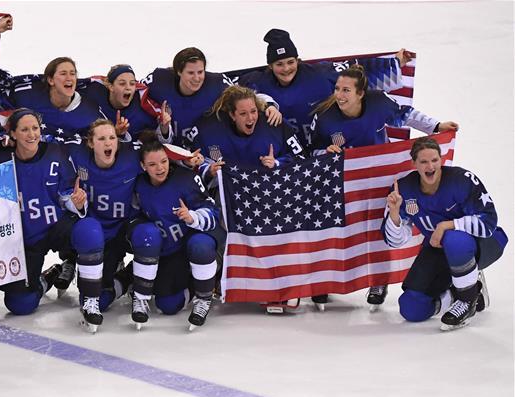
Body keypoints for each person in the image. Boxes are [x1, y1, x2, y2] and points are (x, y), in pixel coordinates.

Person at [311, 64, 459, 308]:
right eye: (337, 89)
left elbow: (406, 115)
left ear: (361, 93)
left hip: (380, 177)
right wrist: (323, 151)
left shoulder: (379, 103)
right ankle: (328, 281)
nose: (339, 95)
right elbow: (311, 150)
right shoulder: (325, 118)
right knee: (339, 229)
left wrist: (436, 126)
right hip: (345, 181)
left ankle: (379, 279)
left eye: (346, 90)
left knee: (378, 225)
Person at [0, 110, 105, 331]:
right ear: (13, 134)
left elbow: (66, 197)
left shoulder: (55, 152)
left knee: (90, 230)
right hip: (25, 238)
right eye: (24, 129)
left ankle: (90, 300)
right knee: (19, 304)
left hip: (56, 226)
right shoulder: (1, 161)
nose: (31, 134)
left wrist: (77, 203)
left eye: (35, 128)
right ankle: (48, 277)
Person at [382, 137, 506, 330]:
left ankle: (466, 300)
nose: (430, 166)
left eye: (434, 160)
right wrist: (395, 213)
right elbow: (395, 241)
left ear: (441, 160)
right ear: (414, 163)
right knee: (411, 308)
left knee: (454, 239)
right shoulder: (403, 190)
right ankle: (463, 292)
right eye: (423, 161)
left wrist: (446, 225)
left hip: (484, 243)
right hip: (439, 249)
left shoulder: (461, 180)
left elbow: (488, 222)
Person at [240, 29, 411, 146]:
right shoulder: (257, 81)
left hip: (325, 146)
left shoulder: (321, 73)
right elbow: (238, 92)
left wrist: (392, 64)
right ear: (270, 66)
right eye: (279, 64)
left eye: (291, 62)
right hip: (286, 152)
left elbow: (355, 73)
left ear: (298, 60)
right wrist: (266, 105)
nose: (286, 69)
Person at [131, 137, 222, 331]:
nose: (160, 168)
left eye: (163, 161)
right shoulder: (138, 185)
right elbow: (134, 216)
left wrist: (192, 217)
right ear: (142, 166)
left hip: (193, 241)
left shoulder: (185, 178)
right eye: (152, 164)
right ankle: (135, 283)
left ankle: (204, 296)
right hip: (169, 249)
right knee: (168, 305)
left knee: (201, 245)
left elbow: (214, 214)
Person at [67, 119, 143, 327]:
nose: (108, 143)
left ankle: (128, 275)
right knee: (91, 300)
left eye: (112, 138)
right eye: (101, 139)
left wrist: (190, 161)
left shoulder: (132, 156)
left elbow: (162, 156)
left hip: (121, 231)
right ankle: (69, 264)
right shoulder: (76, 154)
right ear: (90, 143)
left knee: (148, 235)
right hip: (93, 233)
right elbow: (48, 144)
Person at [140, 47, 280, 148]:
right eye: (190, 73)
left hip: (204, 152)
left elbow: (245, 95)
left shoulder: (217, 84)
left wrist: (269, 106)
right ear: (178, 72)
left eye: (200, 72)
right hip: (164, 153)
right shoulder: (158, 80)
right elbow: (134, 90)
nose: (197, 78)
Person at [0, 57, 103, 144]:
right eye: (63, 73)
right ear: (50, 80)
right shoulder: (27, 95)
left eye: (73, 74)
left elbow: (99, 140)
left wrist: (117, 132)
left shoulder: (90, 112)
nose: (69, 78)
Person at [188, 85, 304, 173]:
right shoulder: (212, 134)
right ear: (232, 115)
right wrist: (210, 170)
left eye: (253, 111)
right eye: (243, 114)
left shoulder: (274, 123)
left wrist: (277, 163)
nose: (250, 118)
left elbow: (301, 157)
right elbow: (199, 162)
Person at [81, 64, 173, 141]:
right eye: (122, 83)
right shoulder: (93, 91)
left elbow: (162, 145)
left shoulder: (143, 110)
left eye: (132, 83)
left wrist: (164, 128)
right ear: (111, 86)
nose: (128, 87)